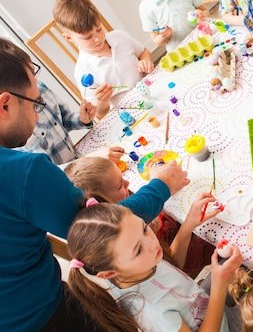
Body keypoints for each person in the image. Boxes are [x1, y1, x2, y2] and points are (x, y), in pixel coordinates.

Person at [0, 49, 190, 332]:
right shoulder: (24, 173)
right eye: (34, 103)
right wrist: (161, 185)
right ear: (4, 105)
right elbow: (104, 226)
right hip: (40, 317)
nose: (37, 115)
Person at [66, 202, 244, 332]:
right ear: (109, 273)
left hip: (205, 302)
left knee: (243, 252)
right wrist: (219, 286)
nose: (152, 243)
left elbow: (172, 268)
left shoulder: (138, 265)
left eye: (144, 228)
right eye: (138, 250)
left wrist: (188, 225)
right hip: (222, 326)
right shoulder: (153, 313)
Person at [65, 156, 216, 277]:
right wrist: (188, 226)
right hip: (181, 253)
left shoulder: (127, 220)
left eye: (122, 176)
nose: (128, 183)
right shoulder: (129, 247)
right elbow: (174, 265)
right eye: (119, 186)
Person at [0, 38, 125, 165]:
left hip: (78, 161)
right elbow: (49, 173)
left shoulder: (41, 89)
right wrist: (91, 160)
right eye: (31, 74)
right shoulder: (17, 131)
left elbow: (63, 119)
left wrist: (82, 119)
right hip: (72, 173)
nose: (35, 80)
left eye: (34, 70)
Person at [53, 0, 155, 118]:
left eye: (99, 29)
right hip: (131, 112)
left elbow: (143, 52)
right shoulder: (83, 72)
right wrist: (102, 101)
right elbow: (100, 113)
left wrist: (146, 61)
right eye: (87, 37)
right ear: (69, 38)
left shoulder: (119, 37)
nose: (97, 39)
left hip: (152, 89)